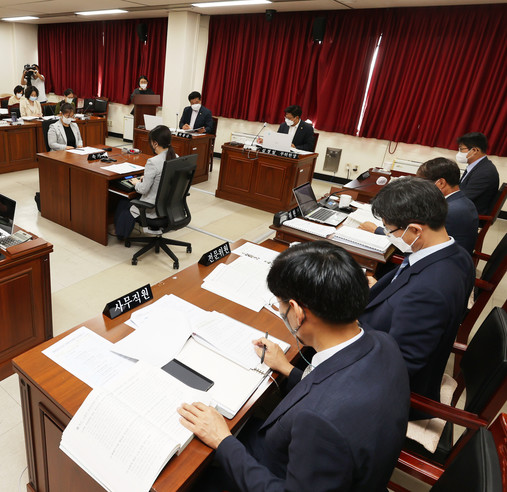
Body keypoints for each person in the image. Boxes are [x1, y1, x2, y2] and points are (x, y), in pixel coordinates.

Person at [178, 241, 409, 492]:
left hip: (276, 471)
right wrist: (287, 369)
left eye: (280, 303)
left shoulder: (320, 424)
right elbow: (334, 385)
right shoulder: (383, 342)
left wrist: (222, 440)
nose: (280, 310)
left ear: (297, 312)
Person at [361, 177, 474, 409]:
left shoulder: (430, 291)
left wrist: (344, 326)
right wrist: (382, 290)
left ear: (414, 229)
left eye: (390, 229)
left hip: (388, 391)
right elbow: (408, 288)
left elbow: (396, 366)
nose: (388, 234)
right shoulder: (456, 253)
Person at [359, 158, 479, 254]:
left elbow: (414, 243)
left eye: (422, 183)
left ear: (441, 183)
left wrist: (378, 230)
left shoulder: (450, 210)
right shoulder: (460, 200)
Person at [113, 125, 177, 239]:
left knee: (124, 202)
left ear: (155, 143)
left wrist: (136, 183)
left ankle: (121, 235)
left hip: (153, 209)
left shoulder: (153, 162)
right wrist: (147, 178)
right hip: (169, 208)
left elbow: (143, 189)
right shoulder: (176, 157)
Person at [456, 132, 499, 215]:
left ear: (475, 150)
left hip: (469, 215)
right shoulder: (478, 166)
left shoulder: (485, 172)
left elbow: (463, 198)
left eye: (461, 149)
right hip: (463, 208)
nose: (459, 152)